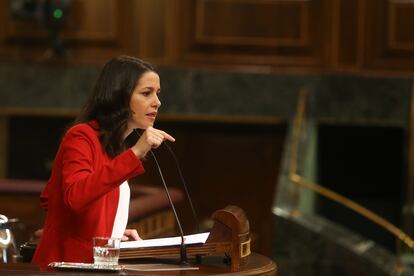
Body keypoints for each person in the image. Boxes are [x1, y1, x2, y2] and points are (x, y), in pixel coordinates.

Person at [32, 55, 175, 269]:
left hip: (94, 265)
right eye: (146, 93)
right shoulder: (81, 136)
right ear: (120, 97)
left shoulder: (115, 146)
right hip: (66, 267)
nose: (157, 102)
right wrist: (136, 152)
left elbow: (55, 198)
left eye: (157, 93)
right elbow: (74, 196)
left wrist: (113, 231)